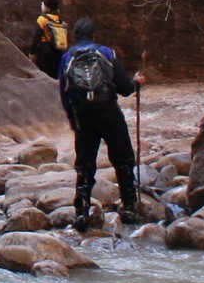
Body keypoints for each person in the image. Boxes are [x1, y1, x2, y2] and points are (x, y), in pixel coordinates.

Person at [58, 18, 142, 228]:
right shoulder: (107, 53)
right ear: (94, 34)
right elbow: (125, 87)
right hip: (109, 112)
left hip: (83, 116)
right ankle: (130, 206)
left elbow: (64, 92)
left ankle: (82, 211)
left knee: (85, 164)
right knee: (123, 158)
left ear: (75, 36)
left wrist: (72, 119)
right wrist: (137, 84)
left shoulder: (67, 57)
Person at [28, 6, 70, 79]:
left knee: (44, 77)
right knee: (55, 77)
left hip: (45, 51)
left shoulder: (42, 19)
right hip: (59, 52)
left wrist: (32, 53)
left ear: (47, 8)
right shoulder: (61, 21)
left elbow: (36, 37)